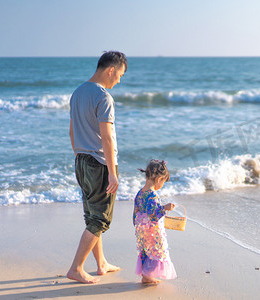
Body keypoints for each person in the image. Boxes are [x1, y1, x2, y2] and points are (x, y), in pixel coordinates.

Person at [67, 51, 127, 284]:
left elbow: (72, 132)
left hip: (81, 160)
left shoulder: (78, 92)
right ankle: (76, 268)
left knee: (91, 215)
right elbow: (107, 138)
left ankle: (101, 263)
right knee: (100, 220)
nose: (119, 80)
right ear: (111, 70)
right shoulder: (103, 97)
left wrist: (81, 156)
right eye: (119, 75)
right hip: (99, 163)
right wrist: (112, 172)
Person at [133, 159, 177, 284]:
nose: (162, 184)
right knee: (157, 250)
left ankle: (146, 275)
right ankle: (147, 276)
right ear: (159, 179)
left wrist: (136, 224)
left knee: (147, 250)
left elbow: (135, 210)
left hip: (142, 229)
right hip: (153, 231)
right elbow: (154, 215)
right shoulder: (153, 195)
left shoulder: (140, 193)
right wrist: (165, 208)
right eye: (163, 181)